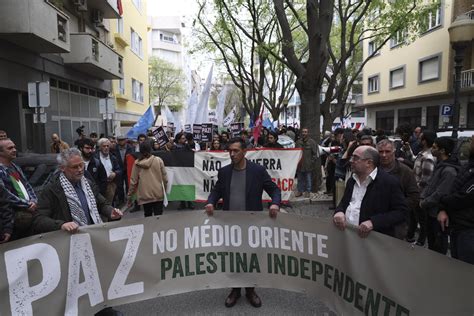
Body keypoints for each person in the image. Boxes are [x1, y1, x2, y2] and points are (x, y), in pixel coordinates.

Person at [32, 148, 123, 316]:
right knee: (75, 285)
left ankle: (104, 310)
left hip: (92, 241)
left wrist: (111, 211)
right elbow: (38, 220)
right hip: (68, 246)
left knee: (98, 278)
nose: (80, 169)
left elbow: (101, 203)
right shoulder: (52, 190)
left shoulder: (86, 182)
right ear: (63, 169)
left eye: (81, 165)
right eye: (75, 167)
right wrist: (61, 225)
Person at [205, 137, 281, 309]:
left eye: (236, 151)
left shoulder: (258, 171)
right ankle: (235, 290)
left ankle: (250, 289)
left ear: (245, 151)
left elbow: (274, 189)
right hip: (229, 224)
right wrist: (211, 201)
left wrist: (275, 203)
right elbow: (217, 190)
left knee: (250, 257)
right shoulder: (224, 172)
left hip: (251, 224)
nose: (232, 154)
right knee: (233, 257)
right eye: (230, 151)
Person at [333, 146, 408, 238]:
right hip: (348, 237)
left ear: (368, 162)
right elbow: (345, 202)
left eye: (355, 158)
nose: (351, 161)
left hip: (373, 242)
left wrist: (373, 222)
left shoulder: (389, 182)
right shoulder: (351, 181)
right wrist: (339, 211)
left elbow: (401, 212)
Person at [420, 137, 459, 254]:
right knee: (432, 244)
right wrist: (423, 197)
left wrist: (424, 202)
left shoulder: (449, 171)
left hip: (437, 214)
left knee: (438, 247)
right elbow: (430, 184)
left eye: (434, 147)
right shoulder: (440, 165)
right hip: (431, 212)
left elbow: (441, 192)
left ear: (442, 150)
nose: (432, 149)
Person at [439, 136, 474, 264]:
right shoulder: (468, 165)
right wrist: (442, 208)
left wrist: (442, 202)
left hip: (468, 230)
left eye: (472, 140)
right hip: (458, 226)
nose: (469, 143)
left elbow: (463, 197)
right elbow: (453, 189)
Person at [377, 139, 419, 240]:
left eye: (387, 151)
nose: (384, 155)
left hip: (397, 223)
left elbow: (414, 196)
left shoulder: (405, 172)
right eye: (381, 152)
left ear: (394, 152)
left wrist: (398, 208)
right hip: (374, 219)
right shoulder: (372, 169)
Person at [0, 138, 37, 240]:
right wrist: (27, 204)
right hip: (12, 221)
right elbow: (5, 196)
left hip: (26, 213)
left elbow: (27, 185)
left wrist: (33, 200)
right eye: (10, 148)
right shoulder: (1, 171)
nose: (14, 150)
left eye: (14, 147)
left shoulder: (14, 167)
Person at [127, 141, 168, 217]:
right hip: (158, 193)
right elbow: (165, 178)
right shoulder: (158, 160)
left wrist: (130, 196)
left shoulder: (137, 163)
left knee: (147, 216)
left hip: (144, 195)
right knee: (159, 216)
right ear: (150, 149)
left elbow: (133, 181)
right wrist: (164, 190)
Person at [411, 130, 436, 245]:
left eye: (420, 138)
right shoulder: (422, 154)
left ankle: (421, 241)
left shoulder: (428, 157)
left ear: (425, 141)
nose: (418, 140)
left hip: (420, 194)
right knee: (417, 217)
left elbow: (425, 180)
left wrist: (418, 194)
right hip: (416, 192)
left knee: (422, 219)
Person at [96, 138, 121, 205]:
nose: (106, 148)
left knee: (109, 204)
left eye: (107, 146)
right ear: (100, 147)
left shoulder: (113, 157)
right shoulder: (95, 157)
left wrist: (115, 173)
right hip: (100, 185)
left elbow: (118, 169)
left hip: (111, 184)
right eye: (104, 146)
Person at [295, 128, 318, 198]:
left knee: (308, 178)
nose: (304, 133)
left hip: (308, 164)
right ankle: (300, 191)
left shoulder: (312, 142)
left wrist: (312, 161)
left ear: (308, 133)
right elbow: (295, 152)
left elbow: (315, 154)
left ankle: (308, 191)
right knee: (299, 179)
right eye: (303, 132)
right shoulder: (298, 142)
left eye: (305, 132)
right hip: (300, 164)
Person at [114, 135, 134, 206]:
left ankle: (129, 199)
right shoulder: (114, 148)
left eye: (123, 140)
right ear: (117, 141)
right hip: (119, 169)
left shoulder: (130, 148)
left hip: (128, 169)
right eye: (119, 140)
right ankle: (121, 200)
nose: (121, 141)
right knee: (119, 185)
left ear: (125, 140)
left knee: (129, 185)